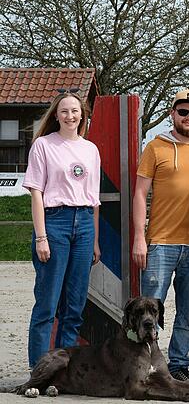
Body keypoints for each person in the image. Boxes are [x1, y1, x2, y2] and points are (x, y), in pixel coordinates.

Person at [131, 89, 189, 383]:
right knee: (147, 311)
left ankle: (178, 363)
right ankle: (146, 362)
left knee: (188, 313)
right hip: (160, 243)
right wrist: (139, 237)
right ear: (172, 113)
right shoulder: (155, 147)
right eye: (184, 112)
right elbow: (140, 194)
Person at [23, 90, 101, 368]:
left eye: (75, 111)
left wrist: (94, 241)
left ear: (83, 114)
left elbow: (94, 200)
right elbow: (36, 193)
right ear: (56, 115)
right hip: (54, 222)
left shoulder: (90, 149)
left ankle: (64, 370)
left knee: (75, 305)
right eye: (65, 111)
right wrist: (41, 237)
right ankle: (39, 368)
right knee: (47, 304)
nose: (71, 116)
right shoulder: (44, 145)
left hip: (84, 225)